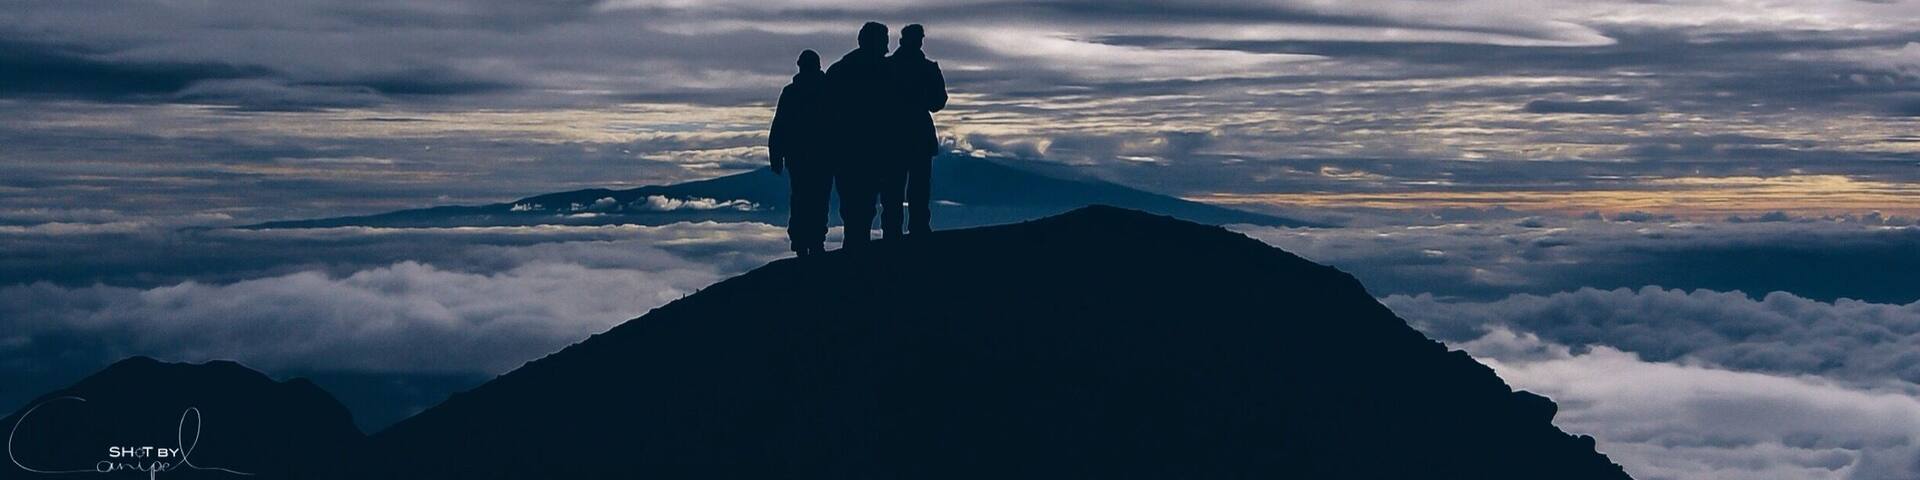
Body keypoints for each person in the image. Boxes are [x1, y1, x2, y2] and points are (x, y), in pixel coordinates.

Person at [825, 22, 893, 247]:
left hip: (846, 150)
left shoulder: (839, 70)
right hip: (877, 147)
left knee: (853, 205)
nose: (887, 46)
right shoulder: (888, 71)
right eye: (884, 41)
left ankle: (855, 248)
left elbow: (825, 111)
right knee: (875, 201)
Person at [883, 24, 947, 237]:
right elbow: (938, 102)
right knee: (917, 186)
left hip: (893, 134)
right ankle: (917, 227)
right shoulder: (927, 68)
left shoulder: (887, 66)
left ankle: (893, 230)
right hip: (917, 133)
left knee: (894, 186)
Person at [768, 50, 833, 256]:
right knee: (818, 199)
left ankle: (802, 242)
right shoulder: (827, 90)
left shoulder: (791, 92)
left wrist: (776, 155)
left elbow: (779, 126)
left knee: (801, 199)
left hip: (800, 157)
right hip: (822, 156)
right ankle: (814, 242)